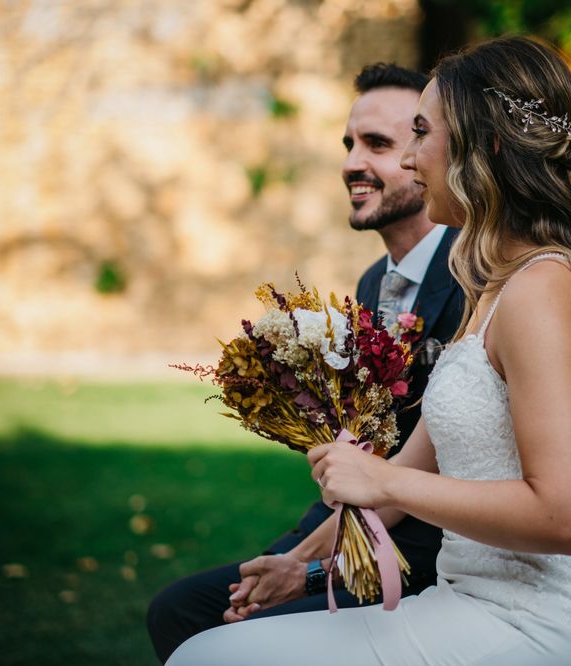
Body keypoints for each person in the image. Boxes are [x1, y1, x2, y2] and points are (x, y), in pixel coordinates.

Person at [166, 35, 571, 665]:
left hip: (541, 629)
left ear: (489, 146)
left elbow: (563, 515)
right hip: (467, 603)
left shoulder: (541, 290)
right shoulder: (493, 286)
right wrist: (299, 565)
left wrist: (377, 474)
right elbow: (405, 480)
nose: (413, 157)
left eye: (421, 133)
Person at [146, 63, 465, 664]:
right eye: (349, 143)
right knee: (180, 609)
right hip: (342, 518)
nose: (350, 163)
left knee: (223, 634)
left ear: (428, 152)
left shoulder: (470, 273)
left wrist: (308, 567)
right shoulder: (374, 282)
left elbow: (431, 461)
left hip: (421, 547)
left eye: (378, 143)